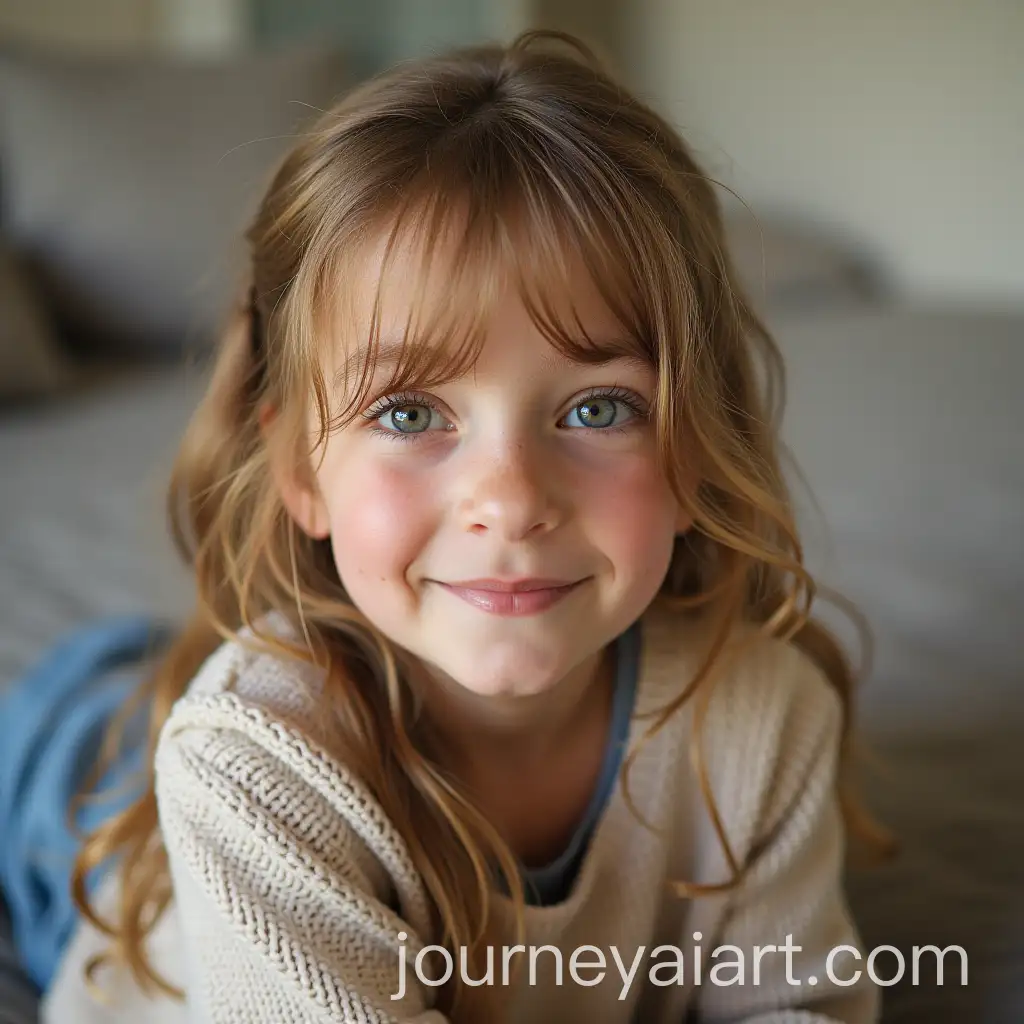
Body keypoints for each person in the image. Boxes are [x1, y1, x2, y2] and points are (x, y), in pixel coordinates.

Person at [45, 29, 888, 1024]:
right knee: (89, 751)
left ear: (696, 443)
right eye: (409, 414)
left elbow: (802, 1006)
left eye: (598, 407)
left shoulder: (757, 716)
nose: (512, 498)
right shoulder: (249, 768)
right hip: (76, 792)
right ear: (297, 468)